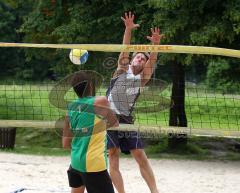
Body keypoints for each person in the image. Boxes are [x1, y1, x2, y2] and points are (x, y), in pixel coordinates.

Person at [107, 12, 164, 193]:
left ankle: (155, 191)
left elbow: (152, 60)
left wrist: (154, 46)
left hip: (126, 120)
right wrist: (128, 29)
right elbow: (125, 47)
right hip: (109, 119)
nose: (139, 58)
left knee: (140, 155)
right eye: (137, 56)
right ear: (131, 59)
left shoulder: (142, 78)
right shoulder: (121, 70)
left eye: (143, 58)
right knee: (113, 156)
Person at [62, 71, 119, 193]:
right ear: (91, 86)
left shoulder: (70, 107)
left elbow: (65, 144)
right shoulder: (100, 101)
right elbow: (114, 123)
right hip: (93, 163)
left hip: (75, 162)